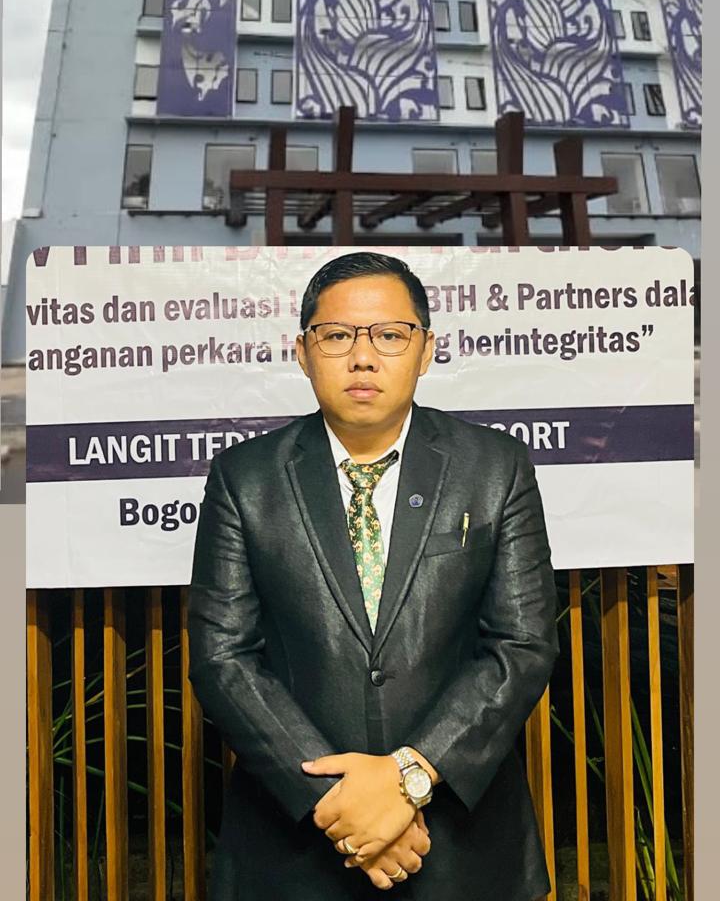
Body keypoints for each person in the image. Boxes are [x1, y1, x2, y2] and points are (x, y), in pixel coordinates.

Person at [188, 251, 559, 900]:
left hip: (460, 842)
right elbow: (224, 658)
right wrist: (344, 804)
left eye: (390, 334)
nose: (363, 358)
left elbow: (522, 644)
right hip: (296, 844)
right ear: (303, 353)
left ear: (426, 350)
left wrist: (411, 776)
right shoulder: (244, 479)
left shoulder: (494, 467)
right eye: (337, 336)